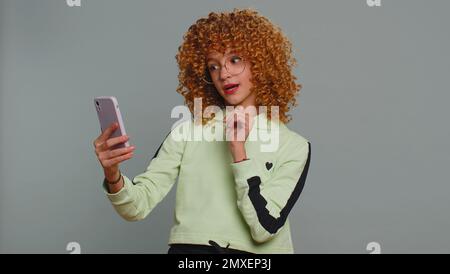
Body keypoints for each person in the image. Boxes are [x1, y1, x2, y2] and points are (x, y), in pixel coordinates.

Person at [93, 8, 311, 254]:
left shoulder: (293, 145)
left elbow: (264, 228)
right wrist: (112, 175)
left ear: (261, 63)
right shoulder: (188, 132)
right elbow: (137, 207)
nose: (224, 73)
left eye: (235, 60)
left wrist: (239, 153)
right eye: (213, 66)